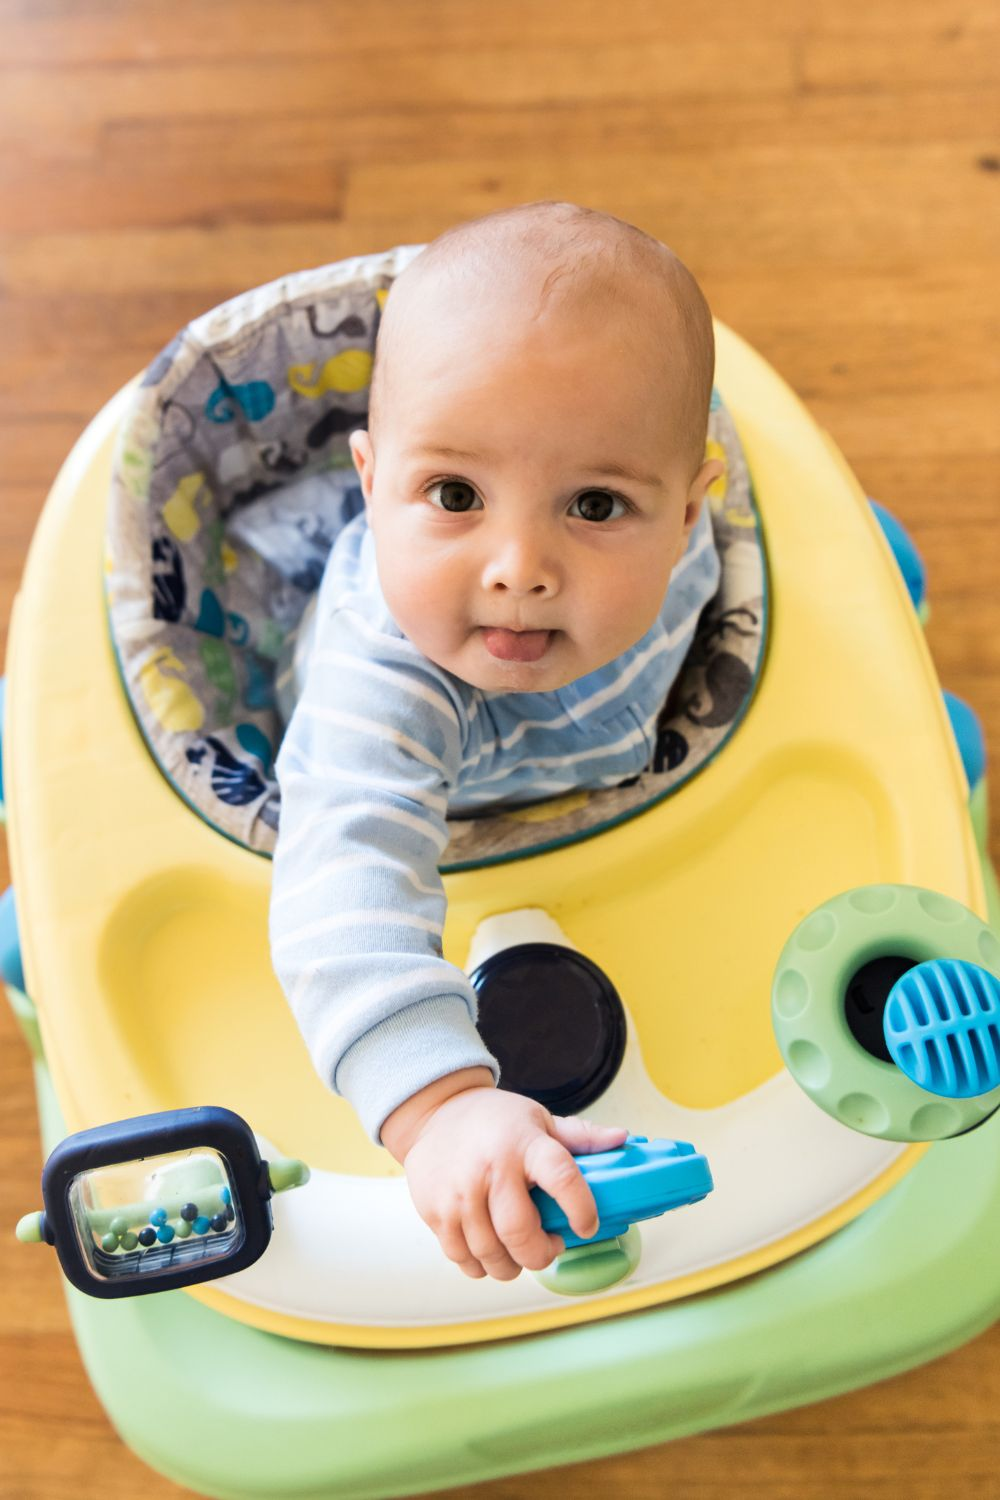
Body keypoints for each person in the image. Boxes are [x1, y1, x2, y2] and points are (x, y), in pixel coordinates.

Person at [269, 199, 726, 1284]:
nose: (519, 564)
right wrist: (437, 1111)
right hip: (461, 815)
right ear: (370, 481)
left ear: (694, 507)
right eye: (456, 494)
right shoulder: (379, 688)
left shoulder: (683, 525)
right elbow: (343, 885)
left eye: (596, 505)